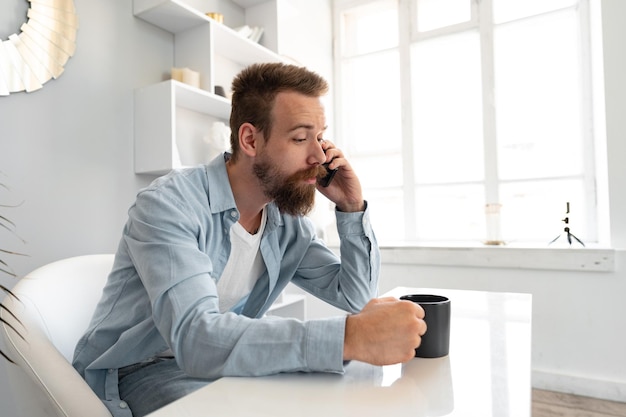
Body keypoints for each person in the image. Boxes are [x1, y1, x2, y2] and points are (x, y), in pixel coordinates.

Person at [73, 63, 426, 417]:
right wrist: (349, 337)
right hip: (142, 368)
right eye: (301, 138)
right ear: (250, 140)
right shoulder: (168, 205)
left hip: (221, 364)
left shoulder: (286, 224)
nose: (319, 157)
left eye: (320, 138)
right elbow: (195, 338)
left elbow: (356, 297)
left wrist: (352, 207)